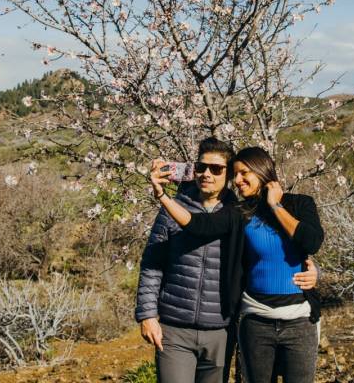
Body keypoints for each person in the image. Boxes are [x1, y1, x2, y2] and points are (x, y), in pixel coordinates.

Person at [136, 138, 318, 383]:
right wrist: (163, 196)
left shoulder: (278, 206)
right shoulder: (230, 213)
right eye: (201, 167)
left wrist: (314, 270)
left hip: (262, 323)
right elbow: (190, 232)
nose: (208, 174)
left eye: (220, 169)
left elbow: (303, 245)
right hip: (215, 323)